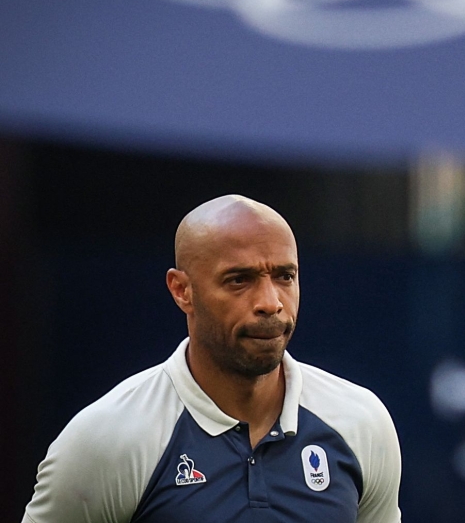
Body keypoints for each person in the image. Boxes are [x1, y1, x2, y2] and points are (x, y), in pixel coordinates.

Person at [23, 195, 402, 523]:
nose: (270, 303)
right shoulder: (107, 439)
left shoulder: (360, 423)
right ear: (182, 290)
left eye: (285, 277)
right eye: (239, 280)